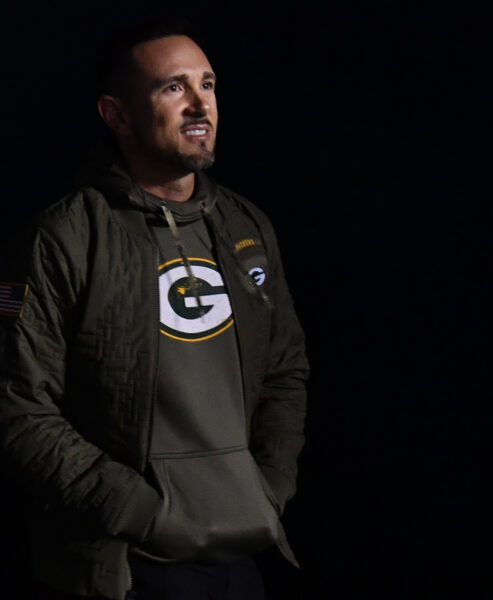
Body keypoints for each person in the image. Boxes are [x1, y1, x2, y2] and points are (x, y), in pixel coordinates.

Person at [0, 20, 309, 600]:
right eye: (173, 88)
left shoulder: (247, 227)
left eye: (209, 84)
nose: (200, 104)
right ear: (116, 115)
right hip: (122, 565)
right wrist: (140, 510)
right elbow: (17, 405)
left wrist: (269, 487)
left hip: (242, 553)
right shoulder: (61, 238)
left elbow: (286, 369)